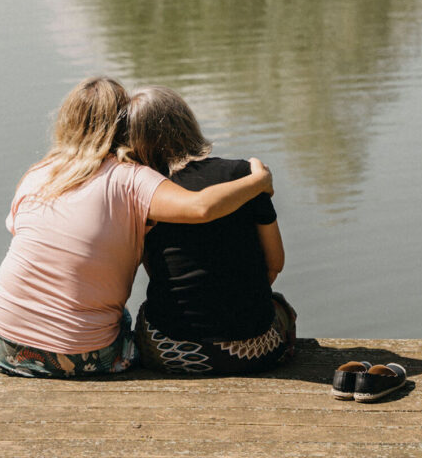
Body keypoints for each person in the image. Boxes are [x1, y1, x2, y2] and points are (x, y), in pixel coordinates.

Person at [0, 76, 274, 378]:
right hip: (82, 355)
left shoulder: (39, 173)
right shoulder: (132, 180)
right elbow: (201, 207)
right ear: (124, 125)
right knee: (125, 321)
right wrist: (258, 181)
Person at [124, 86, 296, 374]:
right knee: (281, 308)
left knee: (145, 313)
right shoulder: (244, 177)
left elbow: (157, 274)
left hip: (171, 353)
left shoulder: (142, 191)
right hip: (255, 351)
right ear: (189, 123)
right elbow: (275, 264)